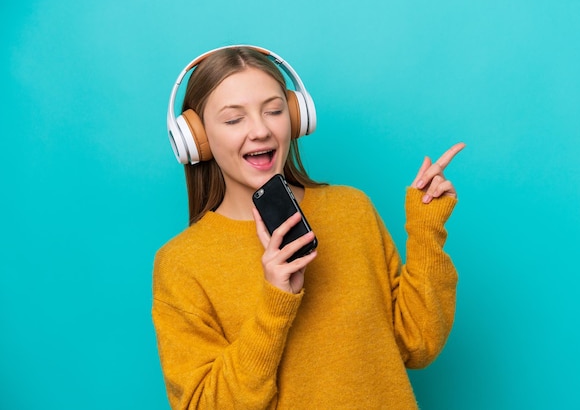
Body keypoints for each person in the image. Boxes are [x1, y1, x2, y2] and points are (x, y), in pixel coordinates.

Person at [152, 45, 465, 409]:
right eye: (234, 119)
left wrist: (427, 230)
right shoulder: (181, 264)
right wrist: (276, 302)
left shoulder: (353, 209)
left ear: (297, 117)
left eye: (273, 111)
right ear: (197, 139)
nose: (260, 131)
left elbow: (417, 343)